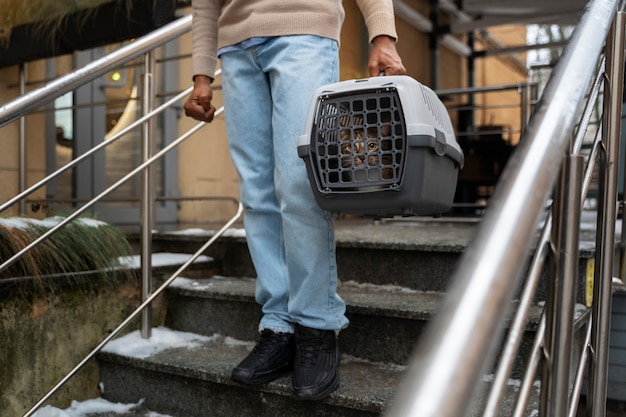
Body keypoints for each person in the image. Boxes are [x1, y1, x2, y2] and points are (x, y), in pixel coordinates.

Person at [183, 0, 406, 401]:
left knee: (299, 183)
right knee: (256, 191)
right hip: (235, 50)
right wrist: (202, 74)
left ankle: (317, 326)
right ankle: (279, 324)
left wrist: (382, 35)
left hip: (304, 32)